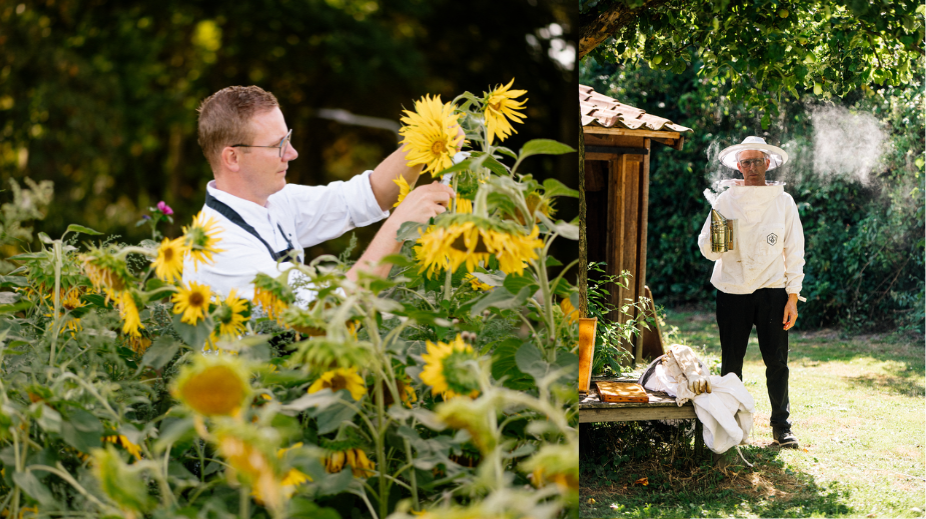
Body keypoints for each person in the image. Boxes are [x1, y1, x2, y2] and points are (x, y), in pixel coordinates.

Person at [183, 85, 455, 303]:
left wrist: (424, 142)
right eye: (278, 145)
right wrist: (399, 224)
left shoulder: (275, 202)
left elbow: (367, 196)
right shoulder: (219, 247)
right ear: (232, 158)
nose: (292, 154)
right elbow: (330, 310)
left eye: (287, 139)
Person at [696, 136, 805, 449]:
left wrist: (793, 298)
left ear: (768, 163)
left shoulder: (783, 202)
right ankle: (730, 426)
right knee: (731, 362)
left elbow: (794, 250)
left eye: (758, 160)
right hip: (731, 290)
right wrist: (720, 237)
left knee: (778, 361)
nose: (753, 167)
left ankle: (781, 428)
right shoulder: (725, 201)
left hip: (773, 291)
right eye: (747, 161)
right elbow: (710, 250)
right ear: (738, 166)